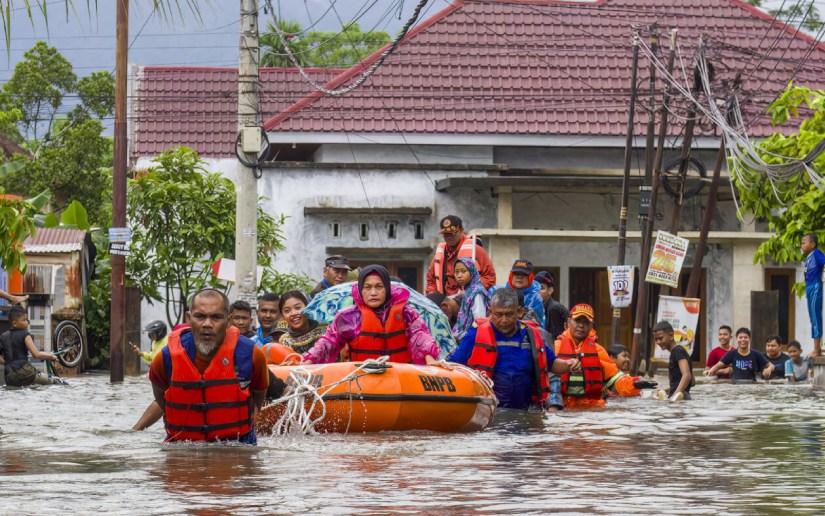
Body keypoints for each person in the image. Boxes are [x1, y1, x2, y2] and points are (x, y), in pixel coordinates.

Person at [149, 289, 270, 444]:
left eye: (216, 317)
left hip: (238, 442)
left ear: (228, 320)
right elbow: (160, 394)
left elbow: (259, 391)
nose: (207, 324)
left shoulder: (251, 354)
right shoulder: (165, 358)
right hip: (183, 444)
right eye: (200, 316)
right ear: (189, 318)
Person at [450, 288, 578, 411]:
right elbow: (453, 365)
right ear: (490, 311)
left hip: (526, 410)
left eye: (509, 314)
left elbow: (553, 364)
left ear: (519, 312)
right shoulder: (476, 333)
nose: (504, 320)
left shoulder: (531, 335)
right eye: (499, 315)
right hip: (489, 410)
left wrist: (569, 364)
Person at [302, 265, 441, 365]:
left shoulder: (406, 313)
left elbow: (420, 335)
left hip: (401, 376)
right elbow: (329, 342)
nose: (373, 292)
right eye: (368, 287)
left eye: (379, 287)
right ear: (361, 290)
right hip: (363, 375)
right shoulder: (348, 316)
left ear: (387, 289)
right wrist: (308, 361)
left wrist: (430, 360)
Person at [554, 304, 654, 408]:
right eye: (577, 321)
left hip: (593, 409)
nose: (581, 325)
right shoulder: (555, 347)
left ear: (591, 325)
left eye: (586, 322)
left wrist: (634, 384)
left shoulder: (598, 350)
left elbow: (615, 381)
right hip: (562, 408)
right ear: (569, 321)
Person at [426, 215, 496, 296]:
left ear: (461, 230)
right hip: (445, 304)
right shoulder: (439, 255)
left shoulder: (475, 250)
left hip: (469, 301)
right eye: (445, 234)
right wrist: (434, 296)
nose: (449, 237)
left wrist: (471, 291)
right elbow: (431, 280)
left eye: (453, 233)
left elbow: (490, 277)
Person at [0, 306, 63, 386]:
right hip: (26, 372)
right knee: (56, 381)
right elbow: (36, 354)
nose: (27, 322)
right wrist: (51, 356)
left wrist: (8, 363)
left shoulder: (3, 336)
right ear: (14, 323)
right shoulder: (25, 334)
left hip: (9, 375)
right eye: (24, 320)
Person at [489, 259, 546, 328]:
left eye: (524, 274)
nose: (519, 277)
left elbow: (537, 325)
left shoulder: (535, 298)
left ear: (530, 277)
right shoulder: (495, 292)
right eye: (516, 273)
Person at [704, 327, 774, 382]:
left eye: (745, 337)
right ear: (736, 339)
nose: (743, 340)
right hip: (736, 385)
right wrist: (711, 370)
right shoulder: (731, 354)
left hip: (752, 385)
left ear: (750, 339)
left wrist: (769, 369)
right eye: (740, 337)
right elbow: (718, 365)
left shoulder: (756, 354)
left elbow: (771, 365)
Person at [277, 290, 329, 355]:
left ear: (307, 307)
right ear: (282, 316)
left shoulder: (326, 329)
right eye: (287, 311)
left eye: (298, 307)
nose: (293, 313)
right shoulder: (285, 340)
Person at [652, 321, 693, 401]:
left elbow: (687, 375)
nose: (658, 342)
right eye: (656, 339)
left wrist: (674, 397)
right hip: (683, 397)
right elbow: (692, 381)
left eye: (660, 338)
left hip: (680, 398)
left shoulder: (677, 351)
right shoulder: (680, 351)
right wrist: (666, 390)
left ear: (671, 335)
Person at [452, 257, 490, 338]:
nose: (459, 275)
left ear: (471, 271)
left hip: (472, 339)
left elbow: (480, 321)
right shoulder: (468, 291)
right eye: (456, 272)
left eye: (463, 271)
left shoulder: (477, 293)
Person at [802, 233, 825, 356]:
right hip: (809, 288)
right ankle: (816, 348)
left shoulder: (816, 254)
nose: (802, 245)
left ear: (813, 244)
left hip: (815, 286)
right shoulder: (809, 257)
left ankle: (817, 349)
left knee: (816, 317)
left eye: (804, 242)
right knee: (812, 318)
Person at [535, 271, 568, 340]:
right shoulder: (534, 306)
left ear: (550, 290)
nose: (537, 291)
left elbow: (553, 339)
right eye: (535, 287)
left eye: (541, 288)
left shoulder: (554, 308)